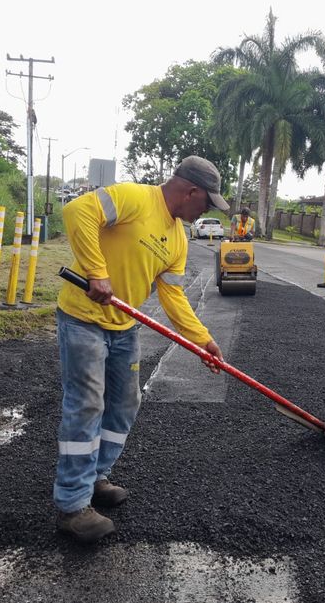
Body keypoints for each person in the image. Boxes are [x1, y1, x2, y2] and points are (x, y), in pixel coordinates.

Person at [54, 155, 228, 543]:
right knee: (87, 404)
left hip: (123, 326)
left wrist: (202, 340)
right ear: (191, 191)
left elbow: (173, 295)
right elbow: (77, 212)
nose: (206, 211)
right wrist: (96, 272)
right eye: (207, 203)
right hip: (83, 319)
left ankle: (96, 477)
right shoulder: (135, 198)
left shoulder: (178, 238)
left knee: (125, 403)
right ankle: (72, 505)